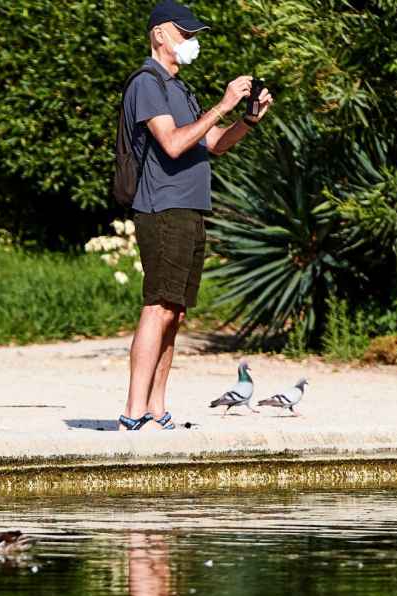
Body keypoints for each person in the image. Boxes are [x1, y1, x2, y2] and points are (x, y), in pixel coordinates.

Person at [117, 1, 273, 431]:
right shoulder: (147, 84)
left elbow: (214, 143)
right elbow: (171, 143)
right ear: (160, 35)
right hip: (162, 207)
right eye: (185, 34)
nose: (192, 42)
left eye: (194, 35)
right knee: (158, 306)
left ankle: (156, 406)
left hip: (190, 207)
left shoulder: (179, 88)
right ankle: (132, 411)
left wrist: (248, 119)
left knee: (176, 310)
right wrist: (222, 104)